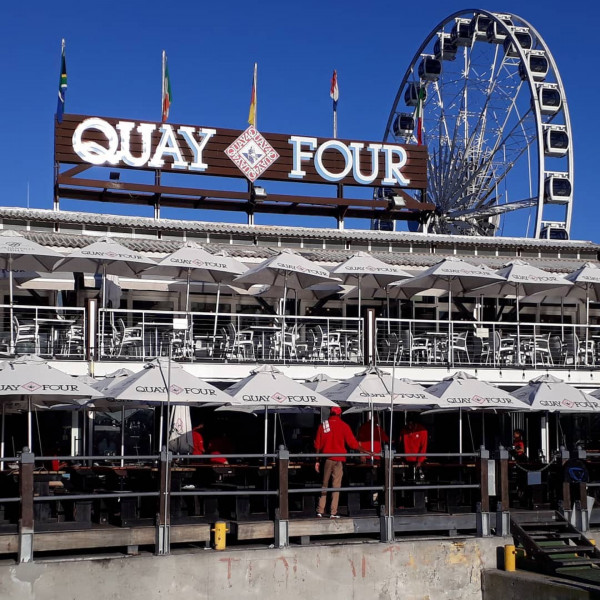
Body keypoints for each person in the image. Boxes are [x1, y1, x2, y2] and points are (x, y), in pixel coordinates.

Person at [314, 406, 367, 518]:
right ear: (340, 414)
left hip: (326, 459)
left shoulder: (323, 425)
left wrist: (317, 460)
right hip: (339, 459)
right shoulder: (344, 426)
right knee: (336, 486)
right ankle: (333, 512)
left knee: (324, 484)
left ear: (330, 413)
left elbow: (317, 444)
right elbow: (352, 443)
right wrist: (365, 451)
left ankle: (320, 510)